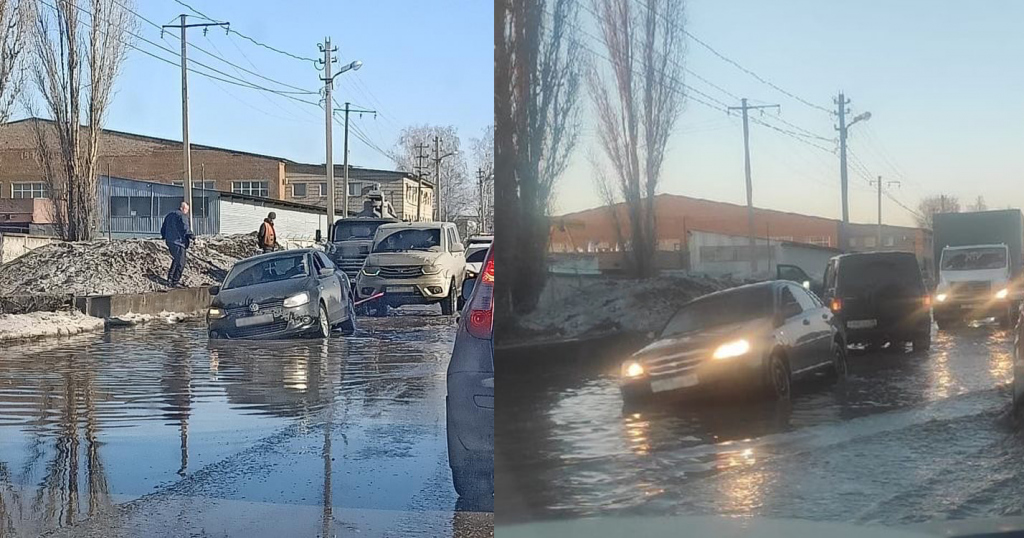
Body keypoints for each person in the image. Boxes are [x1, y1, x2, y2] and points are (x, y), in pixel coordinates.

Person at [160, 202, 193, 288]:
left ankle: (170, 279)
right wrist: (192, 236)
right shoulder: (182, 216)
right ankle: (175, 281)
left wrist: (164, 236)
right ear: (183, 208)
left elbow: (163, 228)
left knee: (176, 259)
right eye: (187, 210)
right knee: (181, 263)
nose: (187, 212)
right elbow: (185, 228)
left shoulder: (169, 215)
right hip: (179, 242)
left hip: (169, 241)